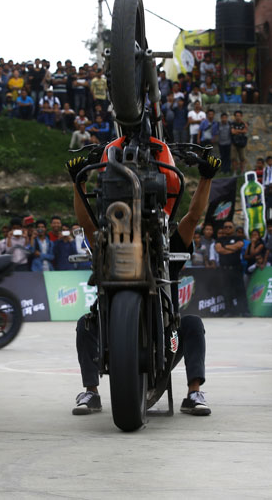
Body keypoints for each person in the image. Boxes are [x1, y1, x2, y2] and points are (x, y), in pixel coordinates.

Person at [65, 151, 221, 416]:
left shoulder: (165, 250)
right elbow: (87, 225)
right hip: (115, 336)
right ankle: (90, 392)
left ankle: (194, 391)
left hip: (166, 337)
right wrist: (77, 183)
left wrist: (206, 177)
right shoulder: (111, 249)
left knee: (193, 324)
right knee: (85, 325)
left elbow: (193, 217)